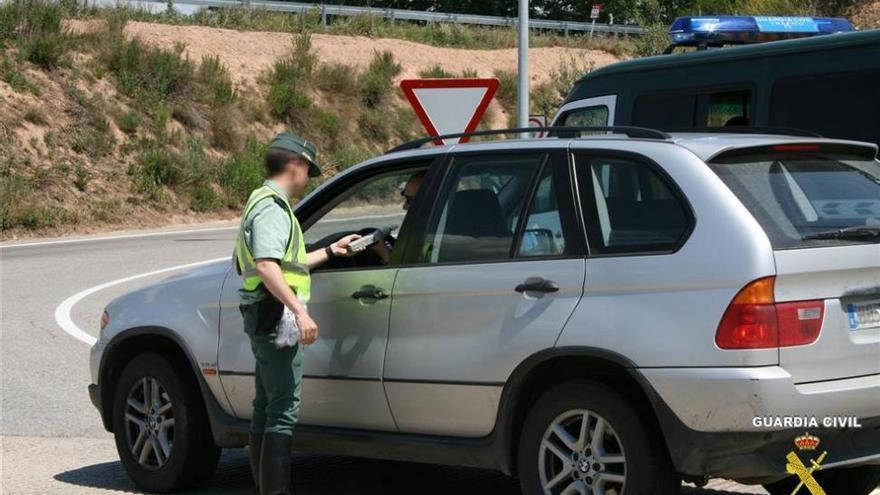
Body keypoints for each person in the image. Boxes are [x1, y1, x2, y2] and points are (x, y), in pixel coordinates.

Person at [233, 132, 362, 495]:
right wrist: (299, 312)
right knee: (283, 410)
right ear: (296, 165)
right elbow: (267, 265)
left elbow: (288, 262)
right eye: (309, 170)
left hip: (265, 312)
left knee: (266, 406)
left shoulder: (263, 202)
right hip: (276, 316)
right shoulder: (272, 209)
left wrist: (332, 252)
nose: (308, 179)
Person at [370, 170, 425, 264]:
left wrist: (386, 255)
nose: (404, 206)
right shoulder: (434, 229)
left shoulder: (439, 239)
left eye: (409, 200)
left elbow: (412, 276)